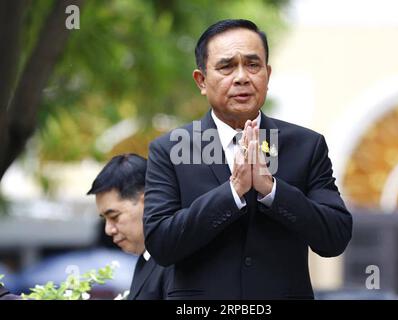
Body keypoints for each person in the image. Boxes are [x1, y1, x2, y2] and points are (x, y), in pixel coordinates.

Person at [144, 19, 352, 299]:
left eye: (253, 65)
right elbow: (161, 244)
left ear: (267, 74)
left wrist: (272, 191)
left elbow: (335, 238)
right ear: (201, 80)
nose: (242, 77)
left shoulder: (306, 146)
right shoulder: (170, 150)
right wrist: (233, 192)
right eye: (226, 66)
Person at [87, 153, 171, 300]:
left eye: (114, 217)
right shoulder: (147, 259)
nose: (108, 230)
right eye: (105, 219)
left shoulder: (176, 263)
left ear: (149, 202)